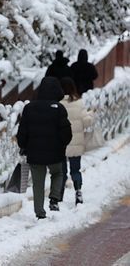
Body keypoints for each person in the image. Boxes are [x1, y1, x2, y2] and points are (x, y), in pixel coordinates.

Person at [17, 77, 72, 219]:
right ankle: (54, 198)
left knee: (38, 183)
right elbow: (66, 132)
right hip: (56, 152)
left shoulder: (29, 108)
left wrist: (23, 146)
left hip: (35, 153)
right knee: (58, 173)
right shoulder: (59, 109)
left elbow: (22, 132)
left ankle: (39, 212)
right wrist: (63, 144)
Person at [59, 77, 92, 205]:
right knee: (75, 170)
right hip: (76, 142)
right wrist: (91, 114)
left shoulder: (58, 103)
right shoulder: (79, 103)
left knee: (61, 171)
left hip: (61, 143)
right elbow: (86, 122)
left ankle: (59, 195)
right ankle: (78, 192)